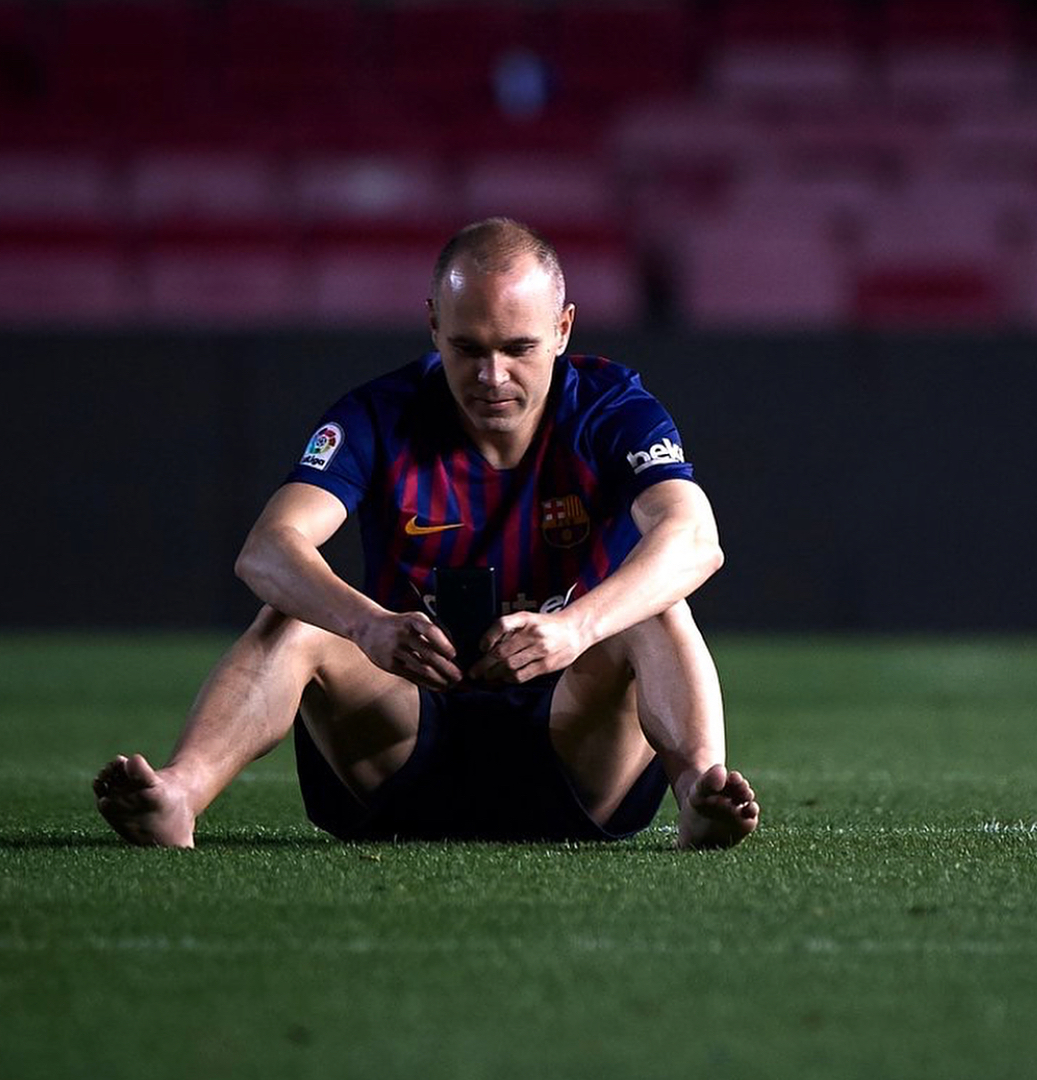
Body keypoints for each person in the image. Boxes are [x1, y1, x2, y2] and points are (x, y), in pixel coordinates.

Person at [93, 218, 759, 850]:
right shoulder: (379, 414)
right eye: (468, 348)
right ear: (434, 325)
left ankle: (700, 792)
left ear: (562, 330)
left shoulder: (612, 409)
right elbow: (268, 548)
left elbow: (695, 536)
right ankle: (178, 795)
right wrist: (367, 625)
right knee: (290, 619)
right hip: (406, 743)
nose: (492, 377)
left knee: (658, 609)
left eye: (518, 348)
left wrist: (576, 628)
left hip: (574, 749)